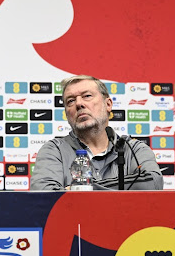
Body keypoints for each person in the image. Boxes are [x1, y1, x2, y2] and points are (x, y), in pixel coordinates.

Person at [30, 75, 163, 190]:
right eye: (70, 101)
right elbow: (44, 194)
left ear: (108, 104)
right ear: (66, 114)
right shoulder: (54, 150)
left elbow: (153, 183)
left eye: (87, 96)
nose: (79, 104)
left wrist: (78, 189)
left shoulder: (133, 149)